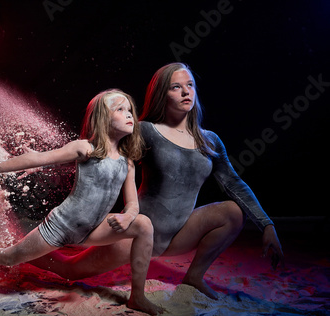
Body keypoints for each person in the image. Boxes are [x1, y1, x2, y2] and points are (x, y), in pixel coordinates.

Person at [29, 63, 284, 300]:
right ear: (164, 93)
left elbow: (234, 184)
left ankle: (194, 277)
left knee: (232, 212)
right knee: (69, 270)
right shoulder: (146, 130)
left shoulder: (210, 141)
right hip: (136, 235)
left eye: (190, 85)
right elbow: (101, 148)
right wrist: (44, 161)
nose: (186, 92)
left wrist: (267, 225)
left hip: (179, 236)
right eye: (176, 87)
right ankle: (16, 254)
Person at [0, 89, 163, 316]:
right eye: (120, 109)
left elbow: (132, 203)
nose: (129, 114)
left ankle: (138, 297)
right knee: (10, 257)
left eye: (130, 109)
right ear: (103, 118)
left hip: (93, 230)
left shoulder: (127, 162)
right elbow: (41, 158)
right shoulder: (85, 148)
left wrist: (129, 216)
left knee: (143, 224)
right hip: (61, 227)